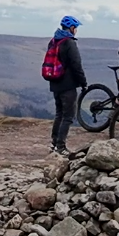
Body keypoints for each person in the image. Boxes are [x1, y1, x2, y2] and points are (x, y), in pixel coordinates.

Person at [45, 15, 88, 156]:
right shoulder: (69, 43)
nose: (76, 30)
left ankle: (54, 143)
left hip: (55, 83)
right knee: (68, 116)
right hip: (68, 85)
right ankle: (61, 146)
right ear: (72, 28)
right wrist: (83, 82)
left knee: (59, 114)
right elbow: (76, 65)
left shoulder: (54, 40)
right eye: (76, 28)